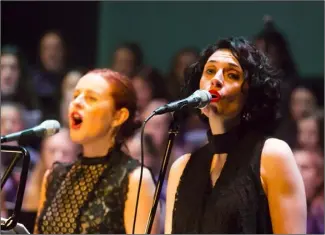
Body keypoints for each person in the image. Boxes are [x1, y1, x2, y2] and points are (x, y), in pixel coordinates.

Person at [165, 37, 306, 234]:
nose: (216, 79)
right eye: (210, 71)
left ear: (250, 93)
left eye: (232, 75)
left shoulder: (272, 155)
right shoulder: (181, 168)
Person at [34, 69, 160, 234]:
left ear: (118, 116)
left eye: (91, 98)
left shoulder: (135, 179)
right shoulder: (55, 176)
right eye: (75, 96)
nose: (77, 102)